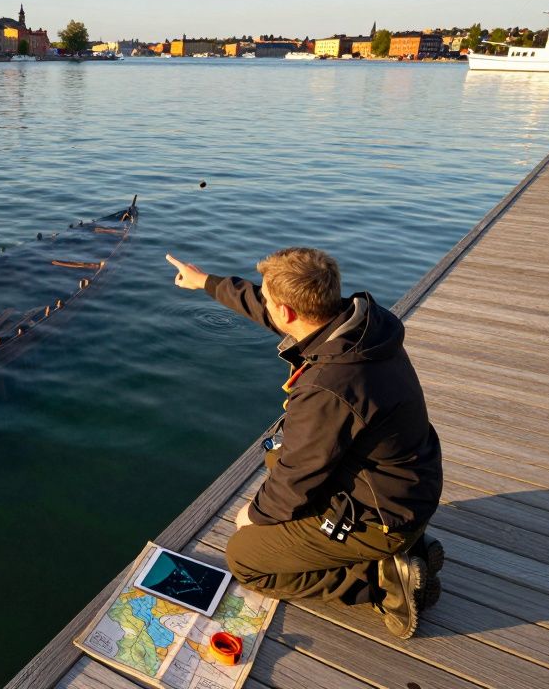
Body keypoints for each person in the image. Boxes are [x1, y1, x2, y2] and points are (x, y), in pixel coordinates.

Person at [166, 247, 444, 638]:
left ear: (289, 312)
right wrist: (206, 282)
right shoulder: (359, 328)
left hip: (383, 517)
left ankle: (378, 581)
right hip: (408, 485)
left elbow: (298, 477)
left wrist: (256, 515)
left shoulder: (328, 388)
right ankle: (391, 548)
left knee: (245, 557)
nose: (264, 304)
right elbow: (269, 309)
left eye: (268, 298)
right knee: (277, 456)